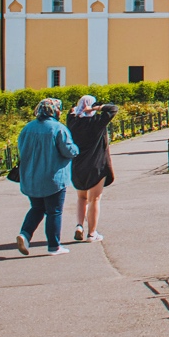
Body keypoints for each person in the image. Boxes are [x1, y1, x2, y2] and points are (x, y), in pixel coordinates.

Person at [15, 98, 78, 256]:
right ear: (55, 111)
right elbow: (68, 151)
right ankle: (54, 246)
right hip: (53, 177)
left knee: (37, 208)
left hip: (30, 177)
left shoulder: (28, 128)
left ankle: (25, 234)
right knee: (54, 211)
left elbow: (21, 149)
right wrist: (76, 149)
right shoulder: (58, 128)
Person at [68, 95, 119, 243]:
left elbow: (70, 112)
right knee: (95, 199)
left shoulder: (73, 122)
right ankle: (92, 233)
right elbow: (113, 109)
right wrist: (96, 108)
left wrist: (77, 109)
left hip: (78, 166)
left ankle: (79, 226)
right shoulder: (96, 122)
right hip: (96, 165)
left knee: (81, 197)